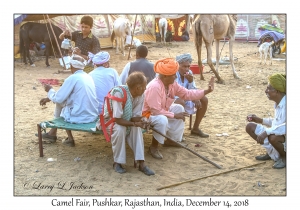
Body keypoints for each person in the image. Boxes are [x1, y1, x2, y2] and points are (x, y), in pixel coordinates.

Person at [143, 58, 215, 159]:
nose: (175, 76)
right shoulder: (155, 87)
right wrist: (174, 115)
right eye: (173, 74)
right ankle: (153, 147)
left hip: (161, 110)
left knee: (179, 108)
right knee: (162, 119)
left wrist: (206, 91)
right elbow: (155, 111)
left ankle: (172, 140)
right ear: (164, 76)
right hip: (147, 115)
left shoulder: (172, 84)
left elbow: (187, 93)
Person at [98, 72, 155, 176]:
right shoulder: (119, 93)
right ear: (137, 88)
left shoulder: (140, 95)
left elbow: (134, 117)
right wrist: (134, 124)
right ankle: (117, 163)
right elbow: (117, 119)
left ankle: (141, 163)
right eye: (144, 86)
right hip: (110, 122)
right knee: (120, 128)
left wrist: (143, 120)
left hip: (125, 121)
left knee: (136, 129)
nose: (145, 88)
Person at [38, 55, 99, 147]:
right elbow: (69, 97)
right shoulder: (88, 77)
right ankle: (56, 134)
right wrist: (49, 98)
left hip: (80, 117)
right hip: (92, 115)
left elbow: (59, 98)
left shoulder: (73, 78)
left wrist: (50, 90)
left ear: (72, 66)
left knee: (61, 105)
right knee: (64, 105)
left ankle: (54, 134)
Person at [245, 73, 286, 169]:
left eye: (268, 89)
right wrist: (260, 120)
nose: (266, 91)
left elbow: (285, 127)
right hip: (279, 135)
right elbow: (277, 122)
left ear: (277, 91)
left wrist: (266, 132)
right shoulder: (278, 103)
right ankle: (272, 153)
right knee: (250, 127)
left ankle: (284, 157)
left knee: (273, 137)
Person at [174, 53, 209, 137]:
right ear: (178, 65)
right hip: (174, 98)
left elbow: (193, 89)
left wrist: (190, 82)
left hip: (187, 97)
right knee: (180, 102)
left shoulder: (189, 73)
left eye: (188, 66)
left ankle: (195, 128)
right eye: (184, 66)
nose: (186, 69)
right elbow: (174, 92)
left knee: (204, 99)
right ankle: (178, 133)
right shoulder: (174, 74)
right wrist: (191, 97)